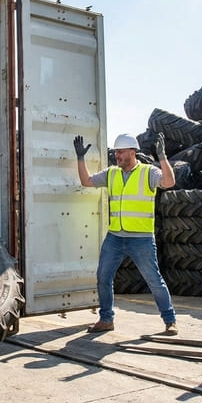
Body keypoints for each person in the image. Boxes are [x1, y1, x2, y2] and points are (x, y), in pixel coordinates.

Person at [73, 132, 178, 334]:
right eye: (115, 152)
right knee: (103, 277)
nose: (117, 155)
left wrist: (162, 157)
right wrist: (80, 158)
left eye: (120, 152)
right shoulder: (111, 173)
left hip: (141, 239)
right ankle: (106, 320)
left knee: (154, 281)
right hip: (115, 237)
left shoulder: (148, 173)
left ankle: (170, 320)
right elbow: (86, 181)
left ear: (132, 152)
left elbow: (169, 182)